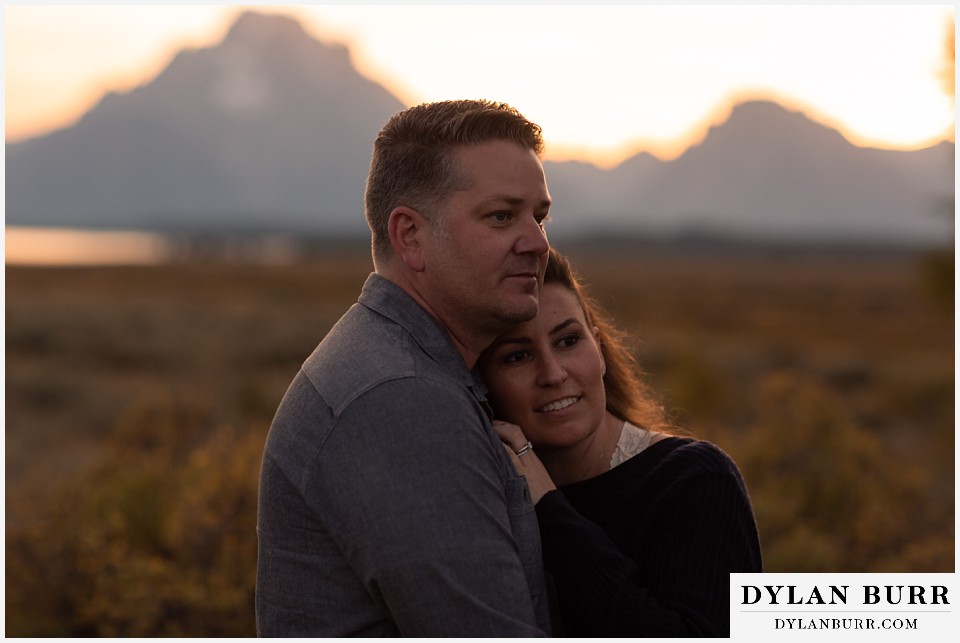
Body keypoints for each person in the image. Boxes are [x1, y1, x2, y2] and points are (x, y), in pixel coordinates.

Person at [256, 100, 554, 636]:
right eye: (502, 216)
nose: (537, 243)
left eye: (540, 215)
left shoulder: (407, 365)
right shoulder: (402, 401)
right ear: (410, 236)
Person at [478, 248, 763, 637]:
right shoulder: (485, 494)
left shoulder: (694, 480)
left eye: (568, 341)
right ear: (482, 383)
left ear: (598, 350)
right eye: (518, 356)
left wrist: (550, 509)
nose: (553, 373)